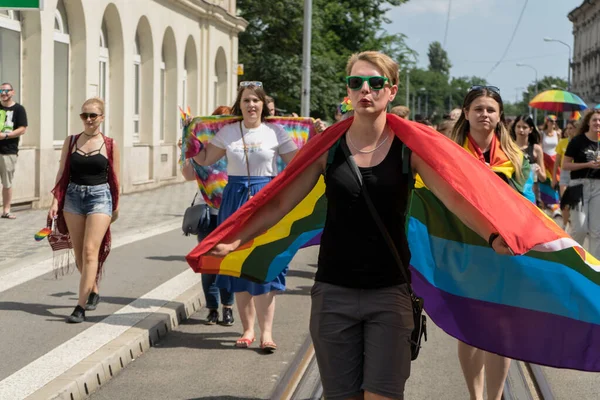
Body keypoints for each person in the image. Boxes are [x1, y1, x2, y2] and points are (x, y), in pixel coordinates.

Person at [204, 51, 512, 400]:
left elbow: (454, 199)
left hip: (390, 293)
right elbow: (279, 202)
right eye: (356, 83)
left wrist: (492, 233)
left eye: (376, 83)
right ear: (348, 92)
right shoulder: (328, 148)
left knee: (383, 395)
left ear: (391, 91)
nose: (365, 90)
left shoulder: (409, 150)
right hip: (333, 293)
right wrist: (234, 239)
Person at [192, 82, 297, 353]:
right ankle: (248, 329)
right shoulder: (228, 131)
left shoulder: (275, 131)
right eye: (246, 100)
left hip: (266, 199)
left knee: (264, 265)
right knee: (238, 264)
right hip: (235, 199)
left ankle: (267, 334)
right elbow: (204, 160)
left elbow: (298, 161)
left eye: (256, 100)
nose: (251, 105)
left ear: (263, 104)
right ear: (240, 104)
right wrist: (188, 140)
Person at [449, 86, 528, 400]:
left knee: (502, 330)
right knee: (470, 331)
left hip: (505, 254)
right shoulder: (449, 153)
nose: (485, 114)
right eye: (478, 109)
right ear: (466, 113)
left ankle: (494, 398)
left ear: (500, 116)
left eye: (491, 110)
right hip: (462, 250)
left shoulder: (515, 158)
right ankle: (475, 395)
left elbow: (527, 207)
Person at [48, 98, 120, 323]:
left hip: (100, 198)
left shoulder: (110, 144)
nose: (88, 119)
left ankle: (79, 307)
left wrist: (116, 207)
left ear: (102, 118)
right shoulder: (71, 141)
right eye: (84, 115)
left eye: (93, 115)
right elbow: (62, 173)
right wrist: (54, 202)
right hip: (73, 198)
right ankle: (93, 287)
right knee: (79, 255)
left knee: (90, 251)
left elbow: (116, 178)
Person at [180, 106, 235, 326]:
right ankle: (212, 308)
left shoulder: (235, 148)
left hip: (231, 212)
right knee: (209, 265)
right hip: (207, 213)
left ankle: (228, 308)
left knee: (227, 263)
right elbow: (187, 175)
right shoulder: (202, 150)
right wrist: (185, 143)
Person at [562, 109, 600, 258]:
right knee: (580, 229)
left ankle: (595, 268)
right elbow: (565, 165)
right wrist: (587, 165)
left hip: (598, 187)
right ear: (589, 122)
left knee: (597, 231)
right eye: (595, 120)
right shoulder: (578, 141)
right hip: (578, 186)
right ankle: (570, 259)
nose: (598, 123)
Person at [0, 82, 28, 219]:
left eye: (6, 91)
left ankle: (6, 210)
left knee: (7, 182)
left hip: (8, 151)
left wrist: (5, 135)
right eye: (1, 91)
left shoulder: (19, 109)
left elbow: (22, 129)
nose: (3, 93)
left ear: (12, 92)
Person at [554, 119, 578, 227]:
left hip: (577, 174)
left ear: (577, 129)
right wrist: (554, 177)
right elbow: (557, 162)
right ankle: (564, 225)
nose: (568, 131)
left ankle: (573, 222)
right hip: (564, 174)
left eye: (571, 128)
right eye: (567, 128)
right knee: (565, 201)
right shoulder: (562, 142)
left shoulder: (581, 142)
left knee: (575, 203)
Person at [510, 114, 546, 183]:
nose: (521, 130)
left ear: (531, 129)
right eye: (518, 126)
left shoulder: (536, 149)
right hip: (512, 188)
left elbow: (543, 178)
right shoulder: (509, 146)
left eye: (524, 127)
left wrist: (538, 171)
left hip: (530, 190)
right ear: (514, 128)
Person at [539, 115, 561, 212]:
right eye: (551, 121)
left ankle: (555, 203)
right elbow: (540, 146)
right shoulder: (542, 133)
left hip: (555, 160)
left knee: (554, 180)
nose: (553, 123)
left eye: (554, 121)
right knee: (545, 180)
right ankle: (545, 202)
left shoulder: (558, 133)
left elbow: (559, 146)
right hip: (544, 159)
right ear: (547, 122)